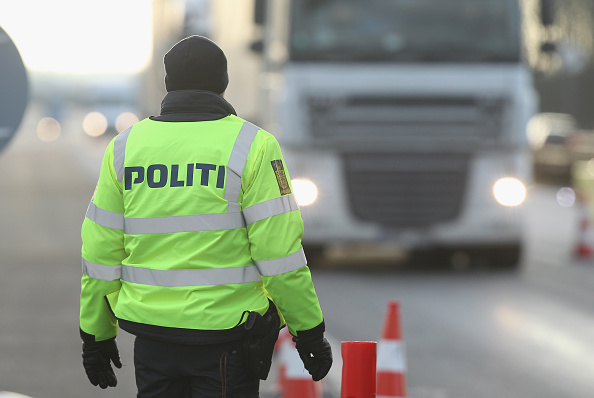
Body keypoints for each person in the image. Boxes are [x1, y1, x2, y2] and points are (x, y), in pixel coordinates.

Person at [79, 35, 332, 397]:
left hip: (153, 339)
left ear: (168, 83)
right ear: (223, 83)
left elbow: (101, 253)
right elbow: (279, 254)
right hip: (227, 341)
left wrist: (96, 334)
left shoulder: (123, 148)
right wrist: (308, 330)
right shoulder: (254, 146)